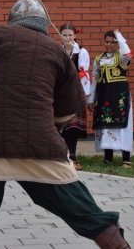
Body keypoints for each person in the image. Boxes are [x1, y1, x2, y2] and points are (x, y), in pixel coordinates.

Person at [0, 0, 130, 249]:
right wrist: (49, 121)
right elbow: (70, 108)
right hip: (40, 142)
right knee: (74, 200)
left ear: (14, 20)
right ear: (44, 24)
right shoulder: (58, 52)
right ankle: (116, 243)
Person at [87, 30, 133, 168]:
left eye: (112, 42)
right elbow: (94, 79)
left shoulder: (122, 57)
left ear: (117, 43)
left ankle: (126, 158)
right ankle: (108, 158)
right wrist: (90, 99)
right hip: (104, 96)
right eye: (106, 41)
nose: (109, 45)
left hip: (120, 96)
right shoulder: (99, 58)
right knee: (106, 125)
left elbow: (127, 52)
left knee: (123, 125)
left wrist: (119, 37)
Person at [58, 23, 91, 170]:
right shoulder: (58, 51)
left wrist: (84, 94)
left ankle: (73, 156)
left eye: (70, 35)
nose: (67, 38)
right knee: (61, 126)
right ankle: (62, 156)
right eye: (64, 35)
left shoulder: (81, 52)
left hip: (75, 92)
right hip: (61, 93)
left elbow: (84, 73)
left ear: (75, 35)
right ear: (60, 36)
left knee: (73, 126)